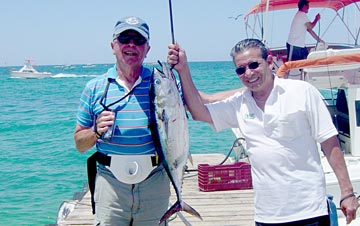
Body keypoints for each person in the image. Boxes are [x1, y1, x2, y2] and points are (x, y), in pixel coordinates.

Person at [167, 38, 359, 225]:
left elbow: (329, 142)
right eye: (241, 70)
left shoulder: (303, 92)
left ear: (269, 61)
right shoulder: (238, 104)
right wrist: (183, 69)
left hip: (310, 211)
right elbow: (199, 112)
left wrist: (347, 192)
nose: (248, 73)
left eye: (253, 65)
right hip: (267, 216)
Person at [74, 16, 242, 226]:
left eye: (139, 41)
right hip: (111, 185)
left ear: (147, 48)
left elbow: (201, 101)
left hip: (154, 181)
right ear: (113, 45)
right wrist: (95, 131)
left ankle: (179, 199)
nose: (132, 45)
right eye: (125, 38)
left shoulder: (161, 83)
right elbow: (80, 144)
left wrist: (251, 91)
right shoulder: (94, 88)